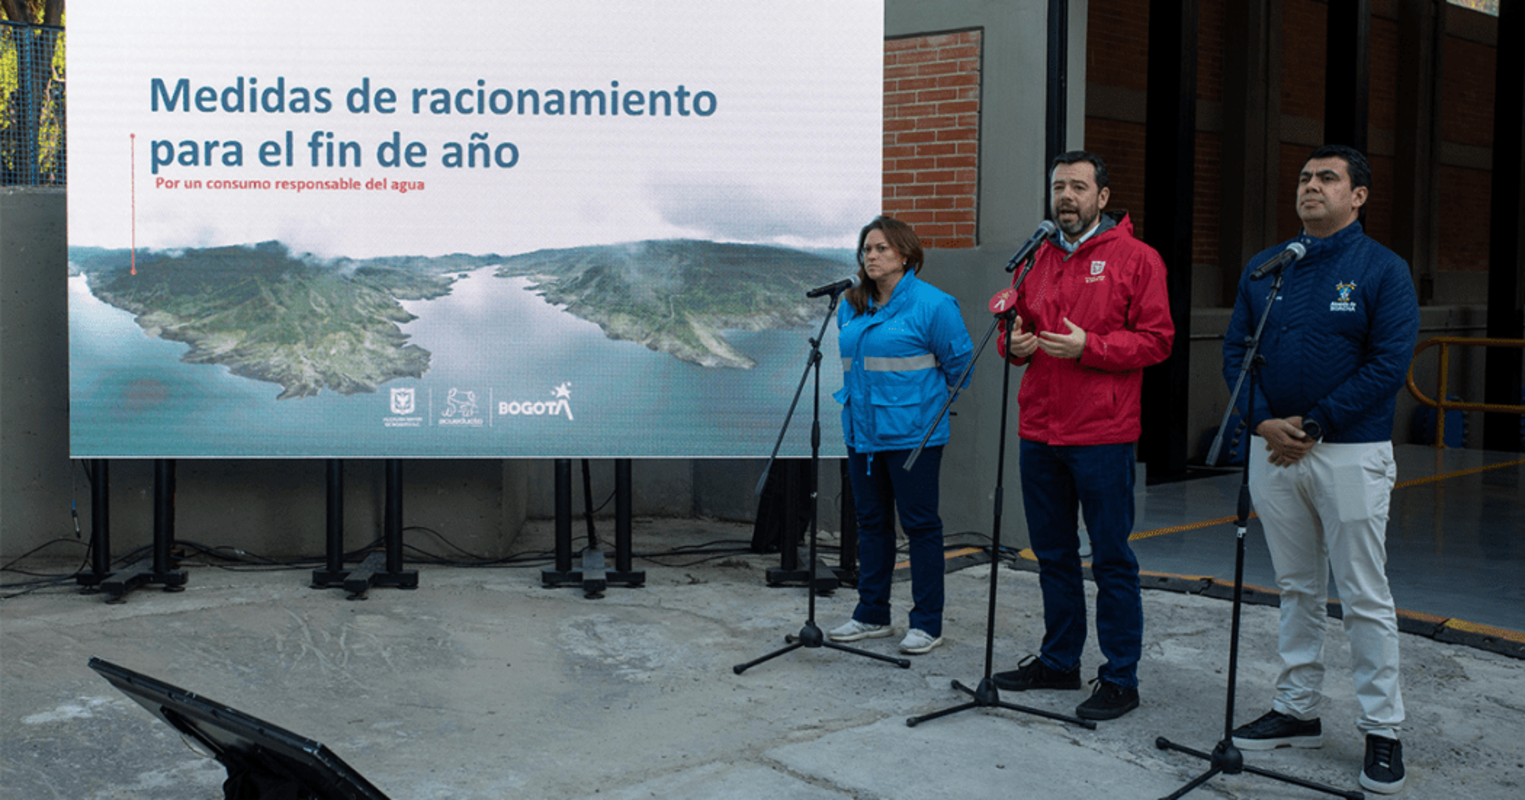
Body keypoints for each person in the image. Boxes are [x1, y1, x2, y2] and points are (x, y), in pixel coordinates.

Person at [1222, 144, 1418, 795]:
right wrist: (1259, 422)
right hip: (1271, 450)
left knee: (1362, 593)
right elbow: (1234, 356)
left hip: (1347, 453)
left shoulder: (1382, 271)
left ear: (1357, 195)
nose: (1310, 186)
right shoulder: (1266, 268)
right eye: (1305, 177)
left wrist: (1311, 424)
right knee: (1296, 588)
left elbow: (1388, 364)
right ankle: (1296, 709)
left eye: (1326, 178)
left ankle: (1382, 728)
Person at [992, 151, 1174, 721]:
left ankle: (1120, 677)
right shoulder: (1037, 257)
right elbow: (1013, 331)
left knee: (1112, 560)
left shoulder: (1137, 259)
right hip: (1039, 430)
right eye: (1058, 186)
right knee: (1053, 555)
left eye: (1077, 186)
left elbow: (1158, 340)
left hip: (1102, 434)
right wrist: (1013, 346)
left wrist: (1089, 348)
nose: (1065, 196)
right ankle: (1058, 661)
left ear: (1102, 196)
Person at [827, 215, 974, 656]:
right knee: (871, 525)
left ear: (905, 255)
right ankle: (872, 614)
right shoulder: (851, 304)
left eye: (881, 249)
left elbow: (960, 369)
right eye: (866, 249)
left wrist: (915, 403)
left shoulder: (934, 305)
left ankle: (927, 623)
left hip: (914, 436)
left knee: (921, 526)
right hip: (862, 432)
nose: (871, 256)